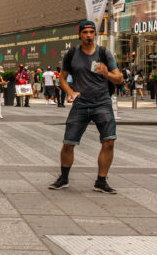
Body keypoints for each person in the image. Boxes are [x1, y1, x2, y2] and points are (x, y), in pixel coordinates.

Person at [49, 20, 125, 194]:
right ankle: (64, 178)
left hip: (102, 102)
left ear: (95, 35)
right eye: (85, 32)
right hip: (81, 103)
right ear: (80, 34)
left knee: (109, 141)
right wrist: (69, 91)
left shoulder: (104, 53)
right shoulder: (71, 54)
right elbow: (62, 77)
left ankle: (101, 181)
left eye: (92, 32)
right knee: (68, 143)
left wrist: (107, 73)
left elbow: (119, 79)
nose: (89, 35)